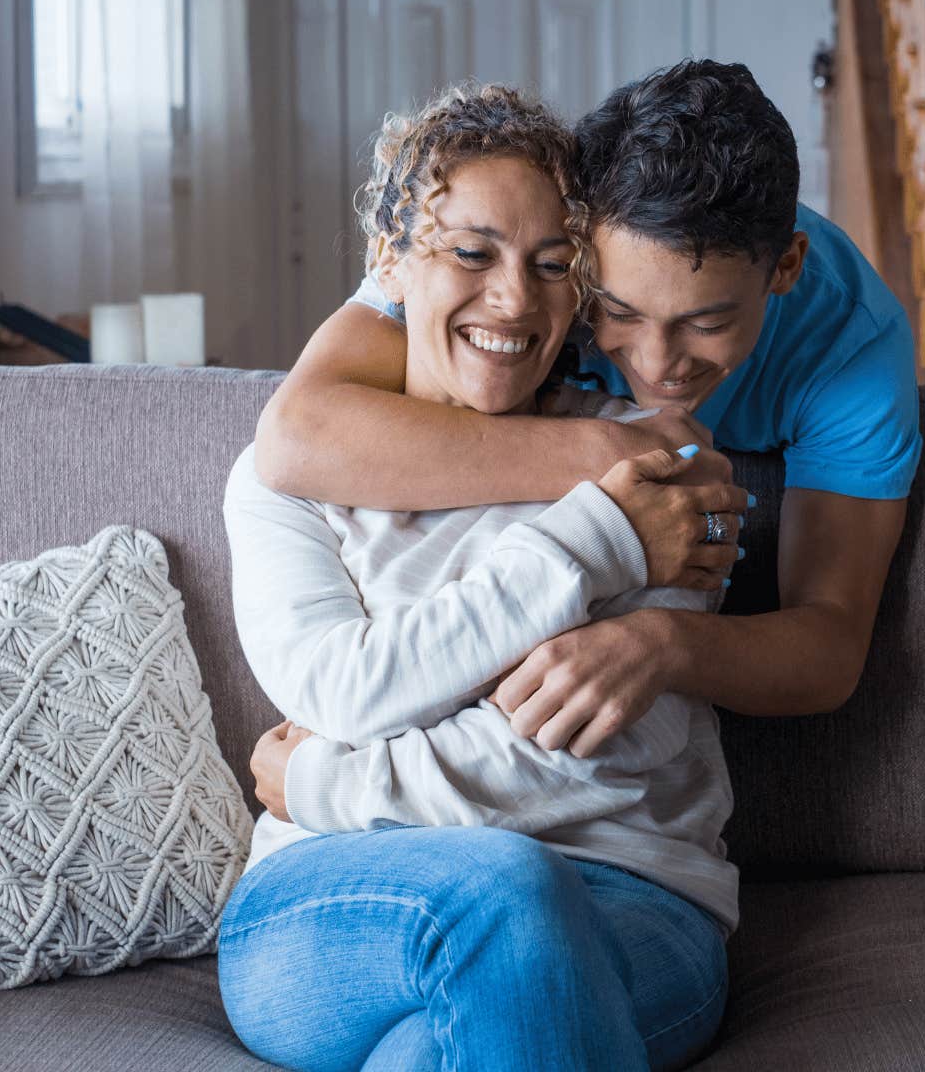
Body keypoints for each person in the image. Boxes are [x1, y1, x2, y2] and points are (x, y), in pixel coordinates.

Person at [216, 84, 747, 1072]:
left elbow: (589, 756)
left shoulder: (656, 467)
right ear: (389, 262)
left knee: (438, 1044)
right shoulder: (285, 477)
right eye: (472, 253)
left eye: (553, 266)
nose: (515, 300)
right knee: (500, 888)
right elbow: (342, 684)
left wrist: (330, 777)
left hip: (631, 899)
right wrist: (590, 544)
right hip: (334, 896)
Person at [253, 60, 922, 761]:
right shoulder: (516, 252)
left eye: (706, 323)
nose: (659, 364)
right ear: (582, 244)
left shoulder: (853, 348)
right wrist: (622, 454)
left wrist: (664, 645)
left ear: (785, 268)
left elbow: (830, 648)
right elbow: (296, 437)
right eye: (618, 312)